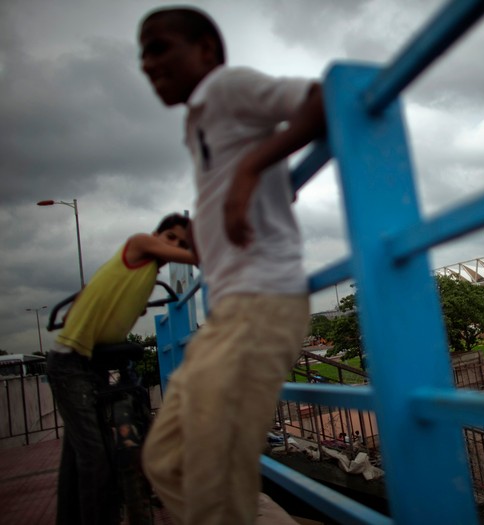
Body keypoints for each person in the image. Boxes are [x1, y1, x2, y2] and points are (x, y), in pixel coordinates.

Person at [137, 7, 326, 524]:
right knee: (168, 461)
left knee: (210, 472)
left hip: (261, 301)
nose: (146, 63)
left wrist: (249, 167)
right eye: (141, 53)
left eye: (158, 47)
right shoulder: (198, 118)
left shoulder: (227, 87)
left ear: (205, 50)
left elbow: (321, 98)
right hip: (228, 312)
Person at [47, 213, 198, 525]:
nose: (174, 246)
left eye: (181, 242)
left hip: (92, 363)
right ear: (157, 235)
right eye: (170, 238)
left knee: (78, 454)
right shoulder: (139, 242)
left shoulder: (145, 275)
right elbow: (192, 256)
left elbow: (101, 290)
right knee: (95, 459)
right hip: (70, 361)